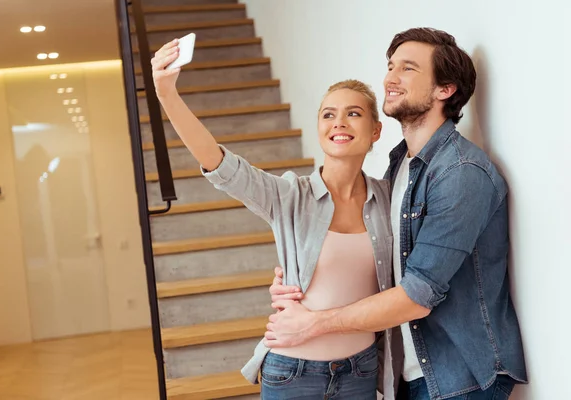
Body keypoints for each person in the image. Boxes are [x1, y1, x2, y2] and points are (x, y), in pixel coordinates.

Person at [266, 27, 528, 400]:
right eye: (391, 66)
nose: (390, 78)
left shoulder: (461, 173)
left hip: (459, 377)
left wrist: (313, 324)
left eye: (408, 68)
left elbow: (416, 295)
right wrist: (301, 286)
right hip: (410, 370)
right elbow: (384, 267)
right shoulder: (398, 167)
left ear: (445, 89)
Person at [151, 40, 398, 399]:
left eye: (353, 113)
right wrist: (166, 94)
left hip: (360, 372)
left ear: (375, 130)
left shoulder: (390, 198)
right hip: (292, 374)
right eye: (328, 114)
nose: (339, 122)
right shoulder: (289, 195)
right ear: (318, 127)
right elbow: (219, 163)